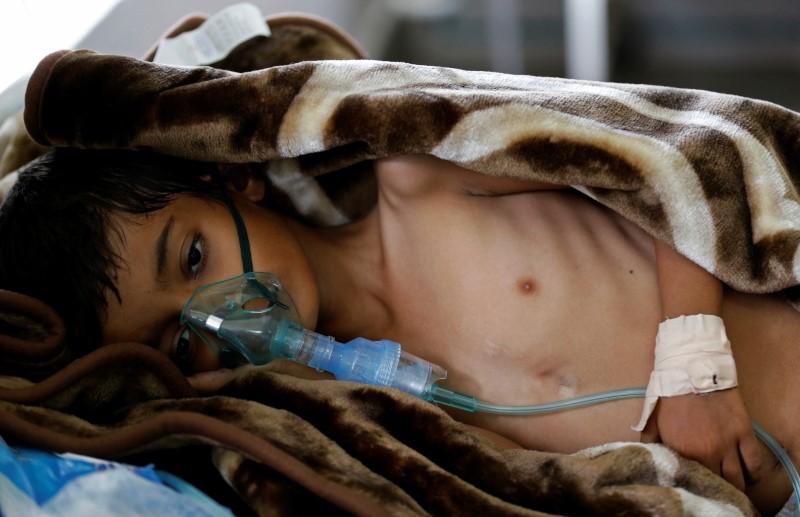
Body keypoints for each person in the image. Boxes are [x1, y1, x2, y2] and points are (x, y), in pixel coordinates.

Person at [0, 148, 796, 514]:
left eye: (196, 254)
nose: (220, 313)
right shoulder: (363, 430)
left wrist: (695, 357)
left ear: (234, 179)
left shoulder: (424, 178)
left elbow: (664, 156)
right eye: (180, 339)